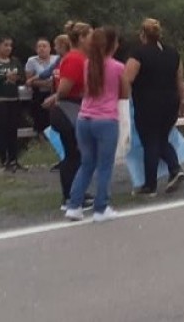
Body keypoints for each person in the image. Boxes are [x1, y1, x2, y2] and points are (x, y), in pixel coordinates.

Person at [65, 27, 128, 222]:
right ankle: (101, 207)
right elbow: (125, 93)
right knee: (104, 166)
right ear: (112, 45)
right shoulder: (118, 67)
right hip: (106, 119)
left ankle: (74, 205)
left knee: (86, 163)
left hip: (84, 118)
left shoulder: (88, 64)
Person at [125, 18, 184, 196]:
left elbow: (127, 78)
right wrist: (182, 100)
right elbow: (179, 79)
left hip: (147, 102)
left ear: (143, 34)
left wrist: (125, 100)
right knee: (161, 138)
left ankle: (150, 185)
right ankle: (175, 169)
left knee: (150, 142)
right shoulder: (173, 53)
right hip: (170, 101)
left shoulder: (138, 54)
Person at [44, 22, 92, 210]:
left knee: (76, 152)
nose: (92, 39)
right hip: (68, 109)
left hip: (72, 108)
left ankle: (75, 193)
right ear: (81, 38)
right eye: (90, 35)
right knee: (74, 153)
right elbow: (64, 89)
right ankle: (70, 196)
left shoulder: (81, 57)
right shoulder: (75, 59)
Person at [0, 36, 26, 173]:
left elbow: (22, 76)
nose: (8, 48)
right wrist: (5, 77)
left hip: (14, 99)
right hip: (1, 101)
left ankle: (14, 159)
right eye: (5, 45)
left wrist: (16, 78)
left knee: (13, 130)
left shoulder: (15, 61)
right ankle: (4, 160)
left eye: (10, 45)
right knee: (2, 130)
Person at [25, 38, 59, 137]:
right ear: (36, 49)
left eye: (44, 46)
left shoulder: (57, 59)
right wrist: (44, 84)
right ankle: (42, 143)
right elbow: (29, 80)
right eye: (39, 47)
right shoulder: (32, 61)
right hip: (39, 94)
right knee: (40, 121)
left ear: (50, 48)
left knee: (55, 120)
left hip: (55, 93)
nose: (42, 49)